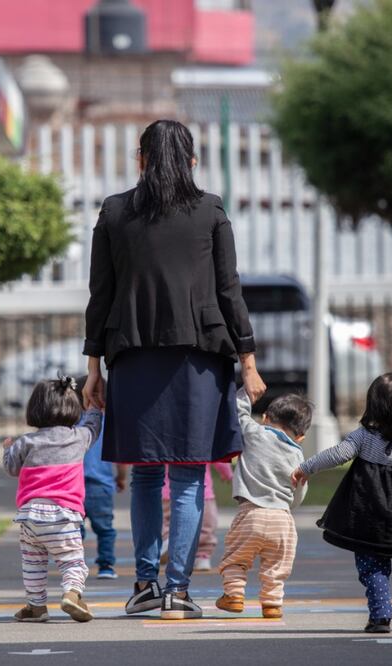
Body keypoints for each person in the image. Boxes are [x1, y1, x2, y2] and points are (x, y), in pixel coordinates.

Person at [82, 119, 265, 620]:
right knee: (187, 476)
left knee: (145, 475)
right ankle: (178, 592)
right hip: (198, 359)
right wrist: (248, 363)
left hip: (133, 354)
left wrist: (93, 366)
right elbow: (230, 291)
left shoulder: (115, 212)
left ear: (140, 159)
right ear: (191, 161)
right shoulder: (209, 210)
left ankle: (145, 584)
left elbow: (101, 294)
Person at [291, 369, 392, 634]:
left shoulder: (362, 438)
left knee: (373, 567)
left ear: (374, 407)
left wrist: (307, 467)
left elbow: (337, 454)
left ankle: (380, 616)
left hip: (368, 517)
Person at [2, 376, 102, 623]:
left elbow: (11, 469)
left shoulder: (27, 442)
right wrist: (95, 408)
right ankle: (71, 594)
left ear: (35, 408)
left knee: (33, 563)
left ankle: (36, 606)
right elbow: (94, 426)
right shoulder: (79, 438)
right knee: (72, 562)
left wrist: (7, 449)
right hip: (64, 515)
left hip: (30, 516)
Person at [215, 388, 311, 619]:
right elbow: (300, 491)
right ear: (301, 437)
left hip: (251, 513)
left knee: (236, 559)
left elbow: (238, 411)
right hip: (283, 520)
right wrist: (290, 506)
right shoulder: (298, 454)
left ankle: (234, 596)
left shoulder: (254, 432)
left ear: (266, 417)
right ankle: (271, 603)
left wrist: (247, 393)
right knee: (276, 567)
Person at [159, 462, 232, 572]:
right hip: (202, 490)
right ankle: (202, 555)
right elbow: (218, 453)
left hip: (166, 489)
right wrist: (227, 473)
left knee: (165, 520)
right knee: (206, 525)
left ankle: (166, 541)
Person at [82, 414, 127, 580]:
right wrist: (121, 477)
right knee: (105, 530)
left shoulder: (69, 419)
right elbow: (120, 456)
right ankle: (106, 566)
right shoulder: (109, 422)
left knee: (74, 529)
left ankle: (73, 565)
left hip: (73, 485)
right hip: (101, 486)